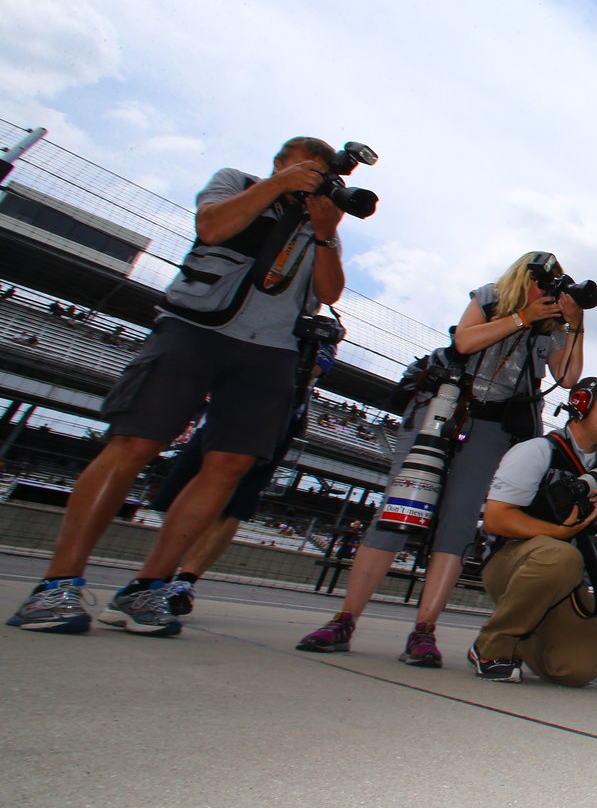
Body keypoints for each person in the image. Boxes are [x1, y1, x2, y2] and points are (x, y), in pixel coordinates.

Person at [7, 136, 349, 637]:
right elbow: (211, 228)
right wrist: (278, 187)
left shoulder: (323, 220)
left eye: (321, 176)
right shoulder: (239, 184)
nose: (311, 182)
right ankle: (58, 582)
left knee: (231, 463)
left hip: (273, 347)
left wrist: (323, 232)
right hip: (197, 327)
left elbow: (329, 292)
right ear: (279, 163)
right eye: (304, 170)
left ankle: (148, 587)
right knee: (135, 443)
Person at [296, 251, 585, 666]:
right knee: (399, 508)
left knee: (459, 520)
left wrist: (575, 321)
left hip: (492, 424)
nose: (547, 289)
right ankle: (344, 619)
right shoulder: (492, 297)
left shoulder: (554, 327)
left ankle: (424, 630)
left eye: (556, 284)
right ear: (523, 276)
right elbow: (464, 341)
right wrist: (522, 317)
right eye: (542, 280)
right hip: (445, 405)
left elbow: (569, 378)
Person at [148, 339, 337, 615]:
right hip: (220, 413)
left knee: (235, 506)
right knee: (180, 494)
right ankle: (159, 573)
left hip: (274, 421)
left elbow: (314, 368)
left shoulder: (319, 332)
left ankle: (185, 581)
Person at [466, 377, 597, 684]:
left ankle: (522, 638)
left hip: (564, 573)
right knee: (561, 556)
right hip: (514, 561)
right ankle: (491, 648)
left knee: (578, 671)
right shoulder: (538, 450)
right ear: (581, 407)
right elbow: (495, 520)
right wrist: (561, 533)